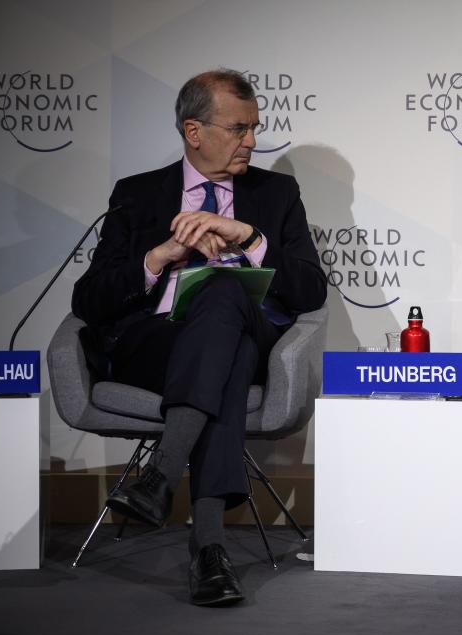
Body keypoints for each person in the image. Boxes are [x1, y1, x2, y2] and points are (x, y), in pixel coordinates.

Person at [72, 69, 327, 606]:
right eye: (238, 129)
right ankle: (208, 548)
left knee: (222, 293)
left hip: (249, 335)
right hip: (156, 344)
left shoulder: (276, 194)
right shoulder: (137, 196)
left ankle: (162, 473)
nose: (252, 142)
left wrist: (252, 239)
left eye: (254, 128)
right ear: (194, 131)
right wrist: (157, 257)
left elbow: (309, 291)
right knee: (223, 359)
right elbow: (88, 302)